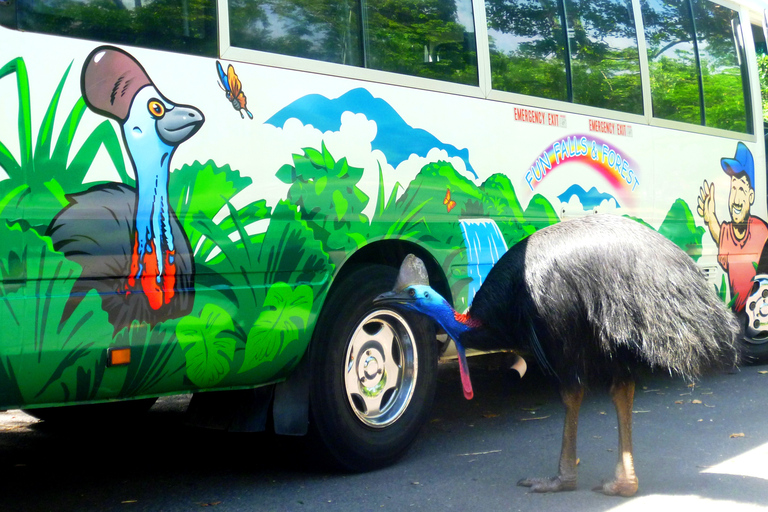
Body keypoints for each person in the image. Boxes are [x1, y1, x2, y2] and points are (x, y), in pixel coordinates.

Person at [698, 142, 768, 312]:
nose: (735, 199)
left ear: (751, 196)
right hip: (737, 323)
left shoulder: (762, 232)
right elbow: (720, 235)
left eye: (742, 190)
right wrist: (710, 217)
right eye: (733, 188)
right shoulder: (729, 232)